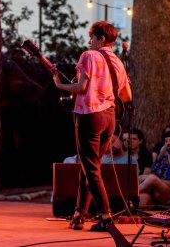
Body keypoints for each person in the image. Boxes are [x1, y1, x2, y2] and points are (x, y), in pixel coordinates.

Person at [52, 21, 132, 232]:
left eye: (92, 38)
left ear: (101, 39)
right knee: (90, 167)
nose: (89, 42)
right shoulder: (118, 63)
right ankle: (79, 214)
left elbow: (81, 87)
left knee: (91, 168)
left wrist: (59, 84)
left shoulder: (89, 56)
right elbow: (127, 96)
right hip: (109, 118)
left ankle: (106, 217)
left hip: (90, 116)